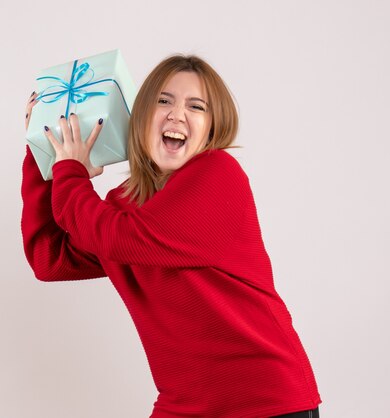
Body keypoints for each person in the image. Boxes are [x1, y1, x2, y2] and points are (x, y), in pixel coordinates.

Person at [21, 54, 322, 418]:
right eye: (164, 101)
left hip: (263, 400)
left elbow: (124, 238)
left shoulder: (218, 174)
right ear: (140, 116)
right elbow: (50, 260)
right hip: (187, 405)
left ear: (212, 128)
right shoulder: (123, 206)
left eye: (196, 107)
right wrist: (44, 160)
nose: (176, 114)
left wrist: (70, 174)